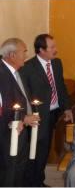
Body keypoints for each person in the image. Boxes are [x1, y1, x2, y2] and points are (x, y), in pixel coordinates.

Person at [19, 33, 73, 187]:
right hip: (37, 116)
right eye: (52, 47)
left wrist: (67, 107)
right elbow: (24, 95)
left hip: (54, 113)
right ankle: (31, 182)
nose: (55, 50)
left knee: (44, 150)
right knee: (35, 151)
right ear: (41, 50)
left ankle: (38, 180)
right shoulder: (27, 68)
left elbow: (60, 87)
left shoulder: (56, 63)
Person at [0, 38, 41, 187]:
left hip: (20, 131)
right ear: (12, 55)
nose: (26, 55)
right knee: (9, 172)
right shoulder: (2, 74)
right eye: (23, 51)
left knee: (19, 170)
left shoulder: (17, 72)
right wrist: (24, 118)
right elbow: (3, 106)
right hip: (7, 133)